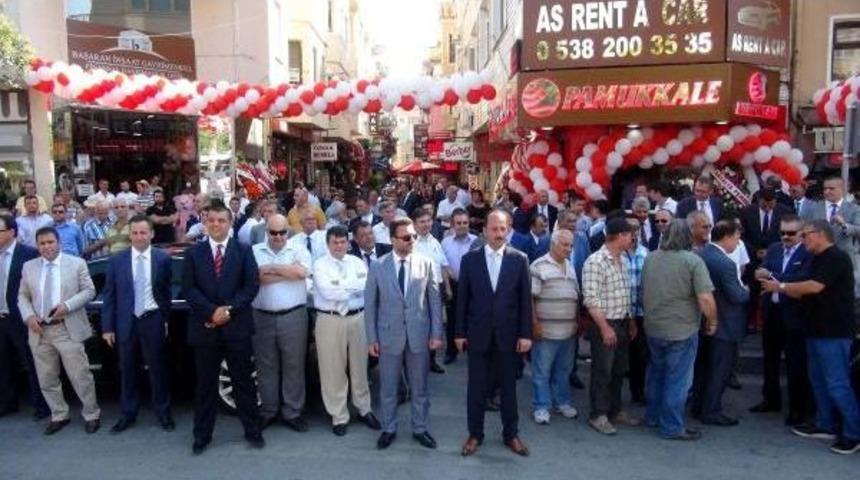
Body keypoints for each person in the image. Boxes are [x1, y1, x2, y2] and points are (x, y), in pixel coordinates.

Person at [761, 219, 860, 455]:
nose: (801, 240)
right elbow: (801, 282)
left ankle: (853, 433)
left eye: (805, 235)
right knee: (818, 380)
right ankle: (826, 424)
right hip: (814, 329)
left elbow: (814, 287)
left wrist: (781, 288)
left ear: (820, 234)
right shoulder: (815, 258)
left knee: (837, 383)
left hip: (833, 331)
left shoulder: (836, 257)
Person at [181, 203, 263, 455]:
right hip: (205, 329)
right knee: (205, 387)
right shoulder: (193, 254)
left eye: (221, 221)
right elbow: (189, 289)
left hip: (236, 327)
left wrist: (228, 311)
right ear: (205, 223)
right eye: (212, 220)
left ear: (230, 223)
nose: (216, 224)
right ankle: (202, 435)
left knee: (244, 384)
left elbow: (251, 286)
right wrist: (211, 312)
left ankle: (253, 431)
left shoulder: (244, 250)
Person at [455, 209, 532, 457]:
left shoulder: (519, 259)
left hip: (509, 337)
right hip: (478, 335)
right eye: (494, 228)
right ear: (485, 230)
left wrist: (525, 334)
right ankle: (474, 434)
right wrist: (459, 333)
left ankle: (511, 434)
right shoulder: (470, 260)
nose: (499, 233)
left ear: (508, 230)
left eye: (503, 229)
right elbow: (462, 300)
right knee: (476, 389)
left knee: (508, 389)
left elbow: (524, 302)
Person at [365, 217, 443, 450]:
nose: (412, 241)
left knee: (420, 388)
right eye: (407, 237)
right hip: (389, 336)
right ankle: (388, 428)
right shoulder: (378, 266)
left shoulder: (426, 263)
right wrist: (372, 338)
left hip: (419, 335)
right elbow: (371, 305)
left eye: (414, 237)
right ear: (392, 240)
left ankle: (420, 428)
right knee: (388, 388)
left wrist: (437, 334)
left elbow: (435, 301)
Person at [18, 226, 99, 435]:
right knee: (47, 378)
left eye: (50, 242)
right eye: (42, 243)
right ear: (37, 246)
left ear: (59, 242)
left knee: (80, 376)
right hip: (39, 331)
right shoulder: (29, 267)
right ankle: (59, 414)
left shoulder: (76, 264)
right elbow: (22, 296)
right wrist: (28, 316)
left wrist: (68, 306)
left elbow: (90, 291)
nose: (46, 247)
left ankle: (91, 414)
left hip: (66, 328)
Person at [641, 219, 717, 440]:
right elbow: (705, 298)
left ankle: (653, 417)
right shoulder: (692, 261)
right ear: (688, 237)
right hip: (681, 329)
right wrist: (712, 321)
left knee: (656, 374)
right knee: (678, 380)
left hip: (654, 326)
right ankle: (672, 426)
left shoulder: (651, 258)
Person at [100, 215, 174, 434]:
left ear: (151, 234)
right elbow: (109, 296)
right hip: (126, 322)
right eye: (135, 233)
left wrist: (165, 318)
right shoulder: (116, 260)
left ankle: (163, 412)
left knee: (158, 370)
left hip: (152, 319)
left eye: (143, 232)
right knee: (128, 369)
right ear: (129, 235)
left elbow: (167, 292)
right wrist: (107, 327)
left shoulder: (162, 259)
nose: (139, 237)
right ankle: (128, 414)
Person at [312, 225, 381, 436]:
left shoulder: (357, 262)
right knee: (332, 370)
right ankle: (339, 415)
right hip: (330, 320)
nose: (340, 246)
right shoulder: (320, 265)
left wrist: (342, 286)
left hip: (358, 318)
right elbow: (327, 291)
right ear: (328, 244)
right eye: (335, 242)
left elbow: (367, 287)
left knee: (360, 367)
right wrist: (352, 287)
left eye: (343, 242)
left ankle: (364, 409)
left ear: (348, 242)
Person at [750, 215, 813, 425]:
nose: (786, 237)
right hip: (772, 312)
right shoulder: (775, 248)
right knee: (770, 360)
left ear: (802, 234)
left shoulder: (807, 252)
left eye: (791, 233)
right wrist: (760, 272)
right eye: (783, 233)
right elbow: (762, 269)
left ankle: (798, 408)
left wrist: (773, 275)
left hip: (795, 314)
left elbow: (802, 279)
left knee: (796, 363)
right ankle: (770, 399)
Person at [251, 214, 312, 433]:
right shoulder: (255, 251)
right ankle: (268, 411)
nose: (278, 237)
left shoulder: (299, 249)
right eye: (273, 232)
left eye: (282, 232)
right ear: (266, 232)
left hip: (293, 316)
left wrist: (271, 269)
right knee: (265, 367)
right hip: (261, 316)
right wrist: (288, 271)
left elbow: (302, 272)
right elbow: (256, 278)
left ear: (288, 231)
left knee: (294, 366)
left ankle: (292, 412)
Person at [582, 218, 638, 435]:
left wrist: (630, 320)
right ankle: (598, 414)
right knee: (602, 371)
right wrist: (605, 328)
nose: (633, 238)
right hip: (604, 323)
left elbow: (626, 292)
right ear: (620, 236)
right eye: (630, 234)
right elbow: (591, 300)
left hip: (622, 321)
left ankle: (615, 410)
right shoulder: (595, 262)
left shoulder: (622, 258)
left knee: (618, 370)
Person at [692, 220, 750, 427]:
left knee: (703, 369)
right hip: (724, 323)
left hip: (704, 322)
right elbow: (736, 295)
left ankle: (698, 406)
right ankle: (711, 410)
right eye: (736, 238)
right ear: (726, 236)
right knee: (719, 371)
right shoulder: (724, 263)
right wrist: (747, 291)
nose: (737, 242)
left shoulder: (701, 255)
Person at [0, 215, 49, 420]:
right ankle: (7, 402)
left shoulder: (29, 255)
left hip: (22, 318)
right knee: (2, 365)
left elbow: (38, 288)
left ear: (11, 232)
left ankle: (42, 405)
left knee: (32, 363)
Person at [530, 229, 580, 425]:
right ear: (553, 244)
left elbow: (575, 295)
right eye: (565, 245)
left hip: (568, 332)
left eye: (571, 245)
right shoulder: (538, 266)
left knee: (563, 370)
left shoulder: (570, 265)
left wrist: (576, 321)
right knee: (542, 372)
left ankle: (562, 402)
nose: (569, 249)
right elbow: (530, 299)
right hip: (546, 331)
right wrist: (534, 324)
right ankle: (541, 406)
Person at [799, 176, 860, 301]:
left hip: (845, 259)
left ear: (843, 189)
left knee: (846, 297)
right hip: (818, 259)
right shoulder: (812, 208)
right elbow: (802, 229)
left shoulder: (854, 208)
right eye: (825, 188)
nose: (827, 191)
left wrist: (844, 225)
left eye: (831, 188)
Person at [412, 207, 451, 375]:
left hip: (437, 290)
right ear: (414, 224)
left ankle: (432, 360)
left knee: (436, 325)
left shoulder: (434, 241)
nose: (426, 224)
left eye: (428, 221)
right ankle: (418, 362)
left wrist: (448, 288)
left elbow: (443, 266)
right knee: (421, 327)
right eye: (422, 222)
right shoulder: (411, 243)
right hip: (419, 292)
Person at [441, 209, 476, 365]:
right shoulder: (445, 242)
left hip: (474, 287)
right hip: (454, 285)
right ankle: (451, 351)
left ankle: (473, 350)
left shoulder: (477, 241)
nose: (462, 226)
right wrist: (448, 288)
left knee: (473, 319)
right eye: (459, 223)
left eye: (465, 223)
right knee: (453, 320)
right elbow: (443, 266)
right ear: (452, 225)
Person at [625, 217, 650, 405]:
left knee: (640, 355)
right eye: (629, 229)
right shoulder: (616, 254)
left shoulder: (646, 253)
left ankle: (638, 391)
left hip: (641, 312)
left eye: (636, 230)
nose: (633, 234)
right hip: (621, 312)